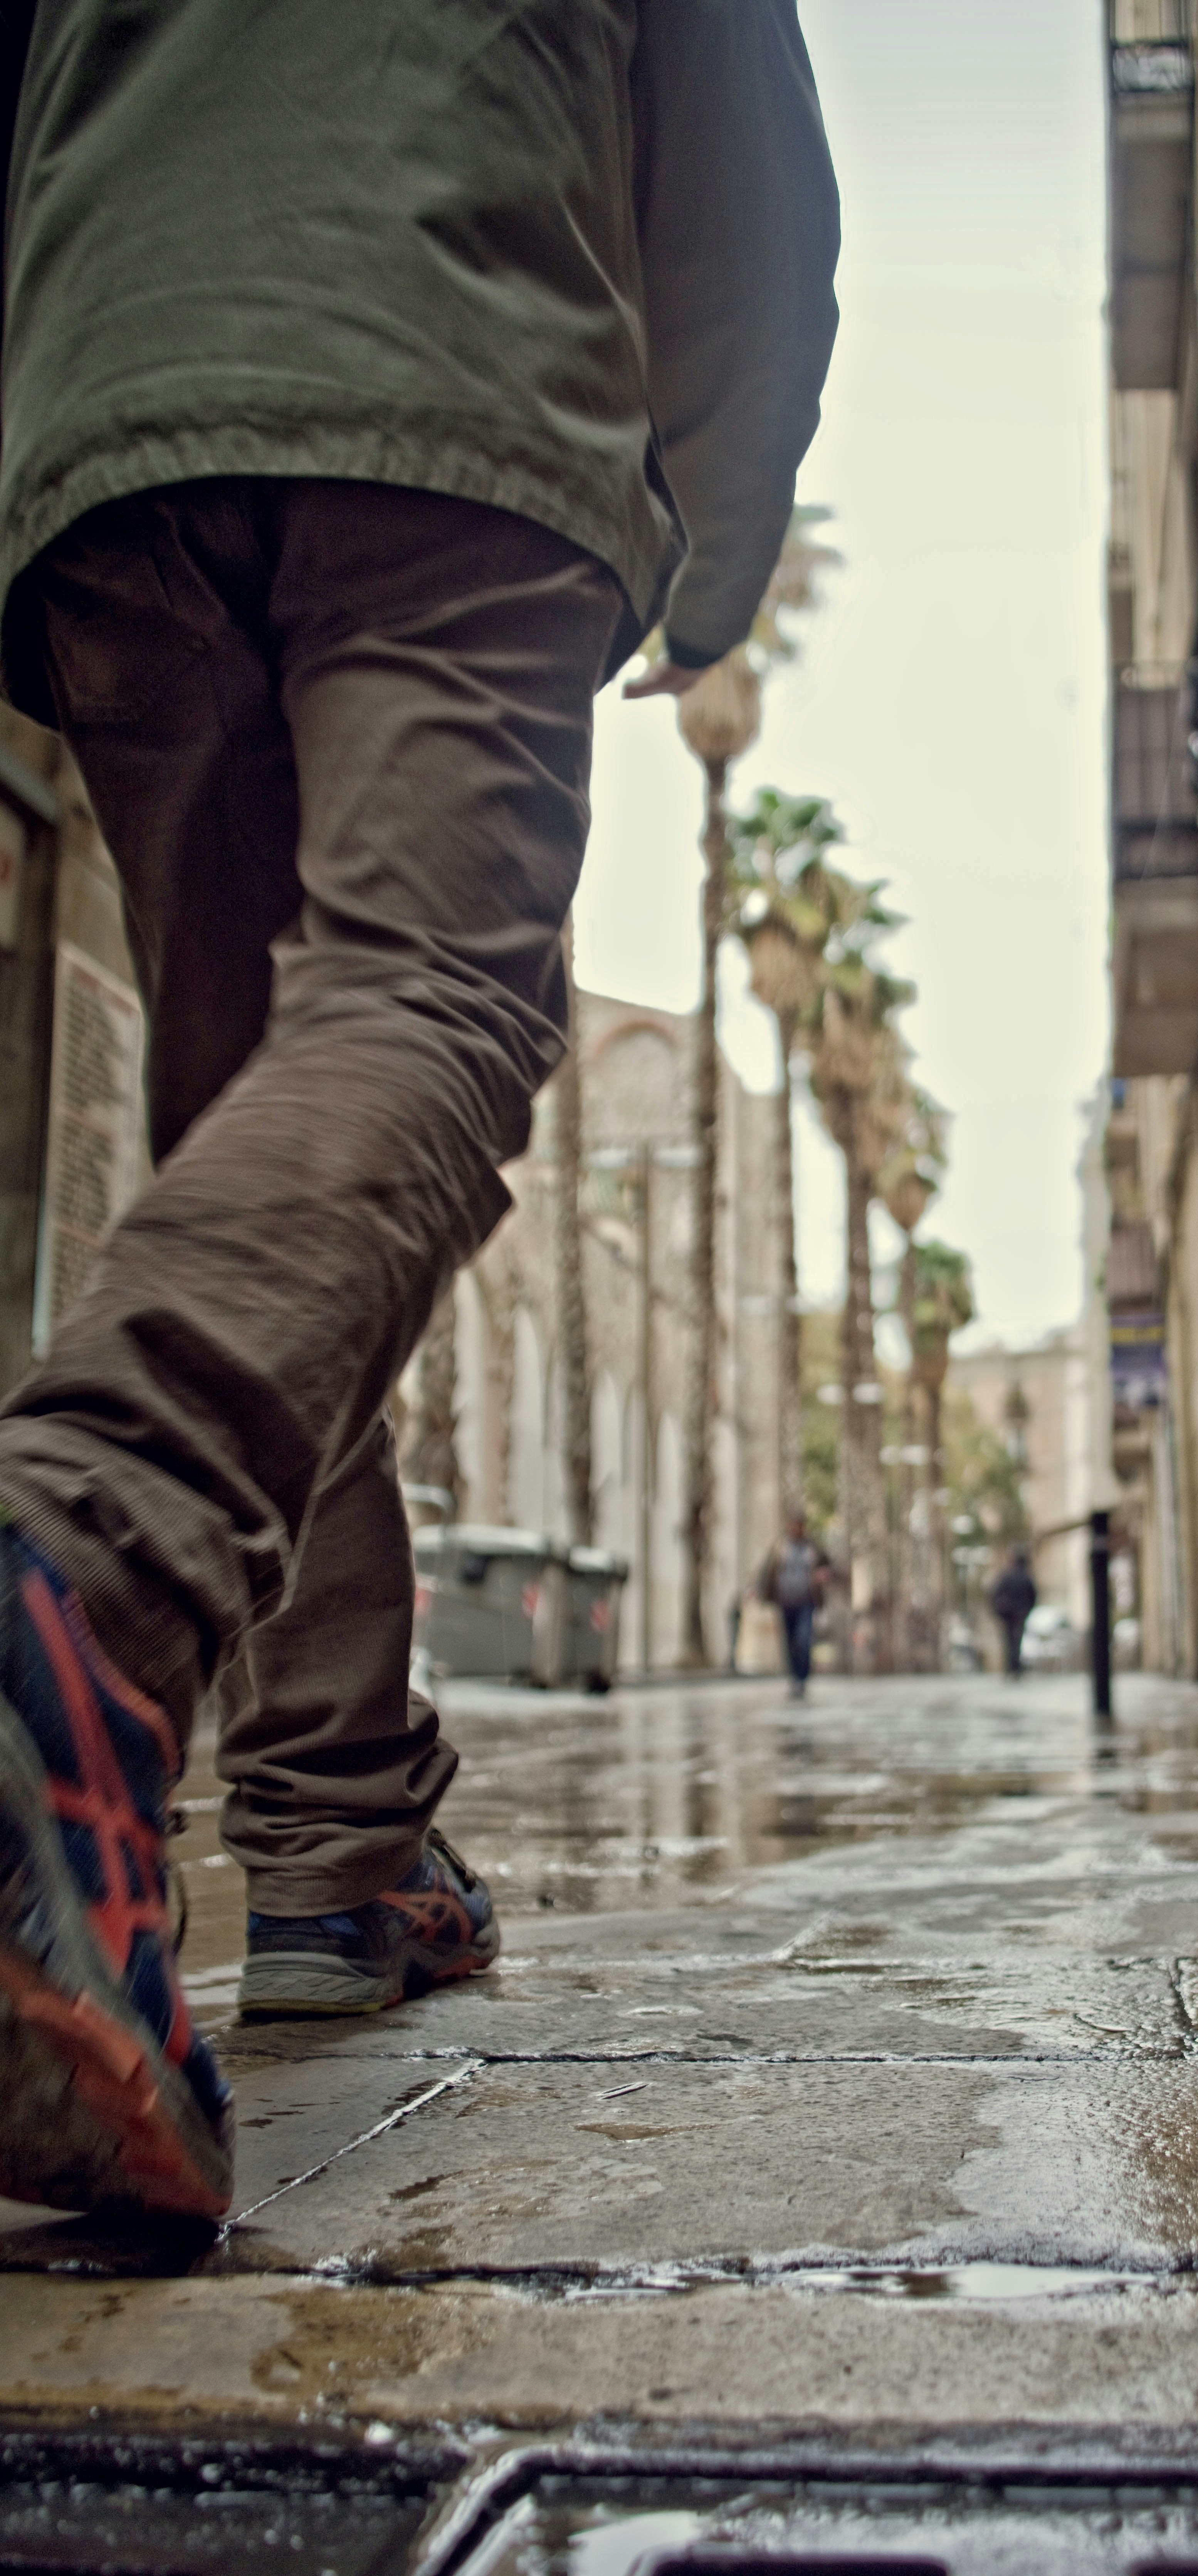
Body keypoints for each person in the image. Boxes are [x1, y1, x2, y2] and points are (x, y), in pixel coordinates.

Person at [0, 1, 838, 2218]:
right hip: (441, 373)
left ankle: (341, 1844)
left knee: (263, 1142)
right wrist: (715, 544)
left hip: (114, 425)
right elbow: (748, 176)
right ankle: (69, 1592)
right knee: (430, 1018)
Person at [759, 1515, 830, 1698]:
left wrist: (824, 1574)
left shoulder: (812, 1548)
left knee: (804, 1639)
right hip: (786, 1602)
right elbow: (767, 1571)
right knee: (790, 1642)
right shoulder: (780, 1547)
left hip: (806, 1602)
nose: (796, 1529)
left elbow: (828, 1566)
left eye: (799, 1526)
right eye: (793, 1526)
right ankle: (794, 1678)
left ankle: (803, 1677)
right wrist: (760, 1591)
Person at [989, 1548, 1038, 1678]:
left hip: (1007, 1613)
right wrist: (1028, 1610)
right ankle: (1015, 1667)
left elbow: (995, 1594)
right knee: (1017, 1640)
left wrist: (997, 1611)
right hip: (1020, 1614)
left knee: (1009, 1640)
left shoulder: (1006, 1576)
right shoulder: (1026, 1578)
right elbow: (1033, 1596)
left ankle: (1011, 1667)